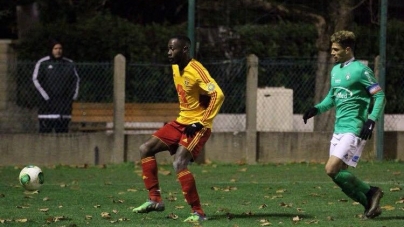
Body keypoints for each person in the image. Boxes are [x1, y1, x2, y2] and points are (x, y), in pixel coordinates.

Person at [132, 35, 225, 222]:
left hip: (198, 125)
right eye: (168, 48)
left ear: (184, 50)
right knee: (145, 149)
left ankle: (198, 212)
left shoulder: (197, 69)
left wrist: (200, 122)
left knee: (179, 162)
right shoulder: (175, 67)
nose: (169, 52)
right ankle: (155, 199)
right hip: (181, 121)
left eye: (172, 49)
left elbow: (218, 95)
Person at [303, 30, 386, 219]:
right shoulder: (335, 71)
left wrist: (371, 120)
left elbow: (380, 96)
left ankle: (372, 191)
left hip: (354, 128)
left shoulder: (361, 70)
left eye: (336, 49)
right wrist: (315, 109)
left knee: (330, 168)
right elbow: (331, 98)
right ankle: (370, 205)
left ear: (347, 49)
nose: (332, 52)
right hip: (338, 129)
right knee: (337, 176)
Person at [32, 40, 80, 133]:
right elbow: (35, 80)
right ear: (51, 49)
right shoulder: (43, 63)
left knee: (62, 131)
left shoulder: (69, 64)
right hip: (47, 104)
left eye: (60, 48)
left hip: (64, 104)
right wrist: (46, 96)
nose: (58, 51)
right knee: (45, 131)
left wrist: (72, 96)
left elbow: (75, 80)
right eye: (55, 48)